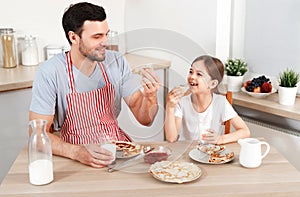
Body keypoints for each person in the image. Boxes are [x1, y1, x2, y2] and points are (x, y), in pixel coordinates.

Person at [29, 2, 161, 168]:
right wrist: (76, 152)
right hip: (75, 155)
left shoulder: (117, 61)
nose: (105, 41)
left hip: (117, 149)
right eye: (97, 37)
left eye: (106, 34)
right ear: (74, 37)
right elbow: (37, 133)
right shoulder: (50, 72)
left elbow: (145, 119)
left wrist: (150, 98)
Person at [165, 55, 250, 144]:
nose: (192, 77)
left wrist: (220, 139)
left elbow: (245, 131)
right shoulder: (182, 102)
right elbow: (171, 138)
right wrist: (170, 107)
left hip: (210, 154)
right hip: (187, 153)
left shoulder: (220, 102)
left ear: (212, 84)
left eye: (199, 74)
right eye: (191, 72)